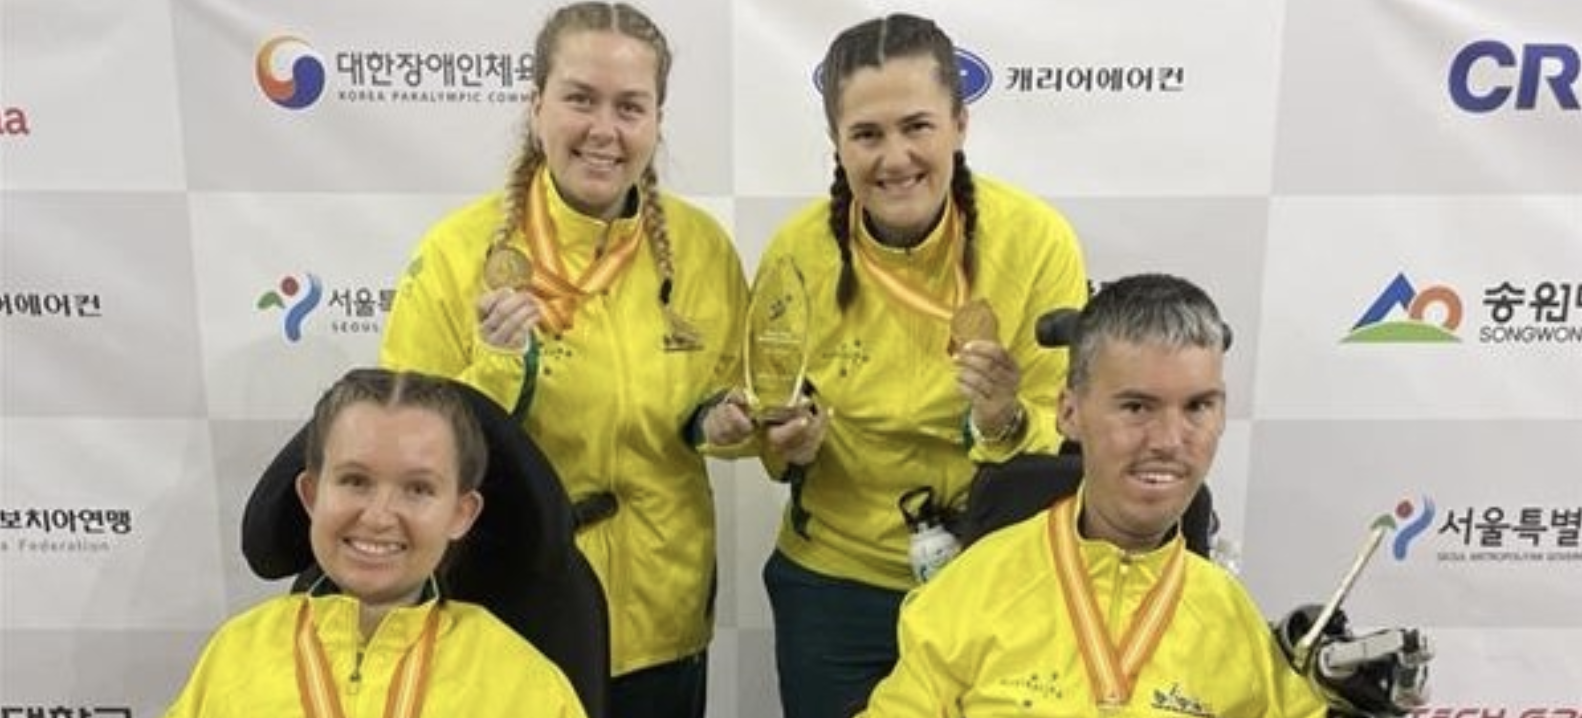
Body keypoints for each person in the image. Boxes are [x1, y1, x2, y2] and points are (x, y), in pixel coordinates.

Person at [714, 13, 1090, 718]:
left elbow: (1067, 434)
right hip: (835, 590)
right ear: (837, 143)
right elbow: (770, 420)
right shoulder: (798, 255)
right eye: (867, 134)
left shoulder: (1037, 241)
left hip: (992, 579)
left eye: (917, 126)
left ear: (959, 125)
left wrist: (1004, 419)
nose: (895, 158)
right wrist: (787, 441)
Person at [377, 4, 748, 717]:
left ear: (657, 120)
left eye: (630, 106)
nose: (603, 130)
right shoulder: (458, 254)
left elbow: (722, 396)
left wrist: (725, 422)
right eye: (580, 98)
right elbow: (407, 453)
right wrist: (496, 367)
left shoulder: (702, 252)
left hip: (661, 613)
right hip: (512, 604)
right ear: (537, 103)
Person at [855, 273, 1390, 717]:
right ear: (1069, 412)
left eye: (1198, 406)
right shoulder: (971, 590)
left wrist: (1346, 701)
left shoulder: (1234, 624)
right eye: (1136, 407)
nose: (1168, 441)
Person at [164, 369, 587, 717]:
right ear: (312, 496)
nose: (379, 516)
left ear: (461, 514)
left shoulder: (522, 686)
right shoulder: (234, 658)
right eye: (355, 481)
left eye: (418, 489)